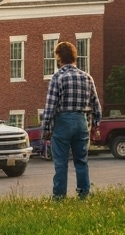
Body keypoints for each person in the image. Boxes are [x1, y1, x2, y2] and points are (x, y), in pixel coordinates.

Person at [40, 40, 102, 200]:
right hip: (81, 121)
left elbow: (50, 107)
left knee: (61, 163)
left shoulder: (58, 77)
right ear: (75, 57)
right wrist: (95, 124)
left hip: (63, 121)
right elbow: (97, 106)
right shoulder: (86, 77)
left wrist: (45, 129)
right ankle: (83, 194)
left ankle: (59, 196)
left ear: (59, 57)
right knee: (81, 161)